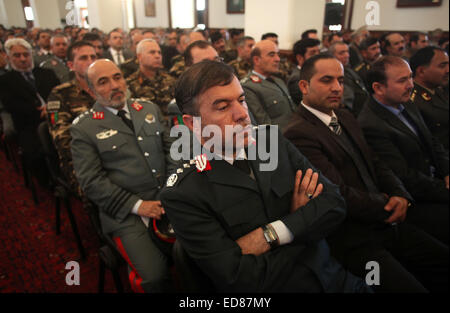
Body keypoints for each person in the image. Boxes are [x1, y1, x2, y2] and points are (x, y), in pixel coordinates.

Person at [160, 60, 371, 293]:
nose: (242, 114)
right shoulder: (184, 192)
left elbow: (334, 204)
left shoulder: (272, 141)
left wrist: (271, 234)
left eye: (241, 100)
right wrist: (302, 223)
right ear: (193, 124)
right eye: (222, 106)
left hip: (334, 278)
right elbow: (241, 279)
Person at [284, 54, 449, 292]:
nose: (337, 88)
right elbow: (336, 192)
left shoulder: (345, 116)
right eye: (327, 80)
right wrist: (387, 205)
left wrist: (399, 194)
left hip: (385, 220)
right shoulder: (299, 132)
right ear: (304, 86)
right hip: (353, 236)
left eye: (341, 80)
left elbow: (376, 161)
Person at [70, 59, 177, 293]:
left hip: (167, 198)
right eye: (103, 82)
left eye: (117, 77)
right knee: (155, 277)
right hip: (126, 213)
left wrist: (171, 190)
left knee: (204, 254)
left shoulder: (147, 108)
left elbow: (172, 150)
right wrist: (139, 206)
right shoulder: (84, 128)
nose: (114, 85)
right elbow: (91, 182)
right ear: (91, 90)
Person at [358, 56, 449, 244]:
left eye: (410, 77)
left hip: (435, 182)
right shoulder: (371, 124)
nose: (411, 85)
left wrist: (448, 171)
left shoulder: (405, 102)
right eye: (402, 80)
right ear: (378, 88)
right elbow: (405, 176)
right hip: (417, 199)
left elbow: (431, 141)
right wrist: (445, 189)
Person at [0, 38, 60, 185]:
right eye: (17, 55)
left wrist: (50, 108)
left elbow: (60, 94)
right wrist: (38, 111)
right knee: (35, 154)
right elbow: (10, 105)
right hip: (28, 123)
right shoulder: (5, 81)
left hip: (56, 116)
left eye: (26, 55)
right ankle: (49, 183)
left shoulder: (47, 73)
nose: (22, 59)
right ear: (8, 57)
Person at [45, 41, 97, 195]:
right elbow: (63, 140)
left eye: (93, 57)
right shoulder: (59, 94)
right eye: (83, 58)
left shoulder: (107, 88)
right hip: (82, 161)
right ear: (71, 65)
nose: (90, 61)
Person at [241, 40, 296, 131]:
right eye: (271, 55)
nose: (277, 59)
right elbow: (264, 125)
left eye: (277, 54)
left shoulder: (278, 81)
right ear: (257, 60)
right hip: (278, 140)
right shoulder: (248, 87)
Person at [410, 46, 449, 150]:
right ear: (421, 71)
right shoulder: (414, 100)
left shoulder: (437, 89)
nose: (448, 70)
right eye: (442, 66)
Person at [126, 39, 176, 121]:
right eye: (152, 52)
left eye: (159, 53)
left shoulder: (170, 80)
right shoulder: (130, 84)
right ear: (139, 57)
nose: (157, 56)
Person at [329, 42, 369, 117]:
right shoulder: (336, 75)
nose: (347, 55)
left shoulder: (349, 70)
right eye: (342, 53)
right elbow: (347, 102)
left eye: (347, 52)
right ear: (332, 56)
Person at [288, 39, 321, 105]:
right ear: (300, 58)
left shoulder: (317, 73)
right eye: (313, 53)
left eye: (318, 52)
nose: (318, 56)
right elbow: (313, 103)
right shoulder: (296, 78)